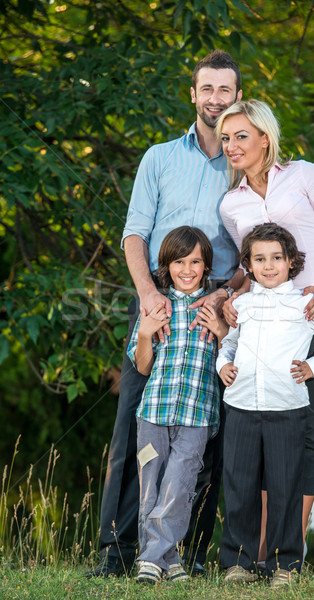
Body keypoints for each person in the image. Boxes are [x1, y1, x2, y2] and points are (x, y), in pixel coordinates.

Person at [86, 50, 244, 578]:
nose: (216, 99)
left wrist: (225, 297)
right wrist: (147, 294)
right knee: (136, 420)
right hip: (156, 296)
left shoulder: (246, 161)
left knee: (208, 434)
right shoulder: (159, 157)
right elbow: (134, 233)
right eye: (208, 89)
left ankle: (189, 554)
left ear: (237, 98)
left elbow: (259, 244)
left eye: (226, 91)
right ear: (193, 94)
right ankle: (116, 552)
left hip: (218, 304)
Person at [215, 99, 314, 555]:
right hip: (261, 327)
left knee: (307, 428)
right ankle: (257, 544)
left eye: (240, 136)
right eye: (225, 138)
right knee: (260, 425)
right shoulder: (230, 203)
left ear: (264, 137)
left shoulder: (305, 175)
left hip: (311, 316)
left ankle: (285, 544)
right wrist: (231, 295)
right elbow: (247, 267)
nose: (232, 145)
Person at [215, 223, 314, 585]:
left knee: (285, 488)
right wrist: (223, 364)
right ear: (249, 264)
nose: (269, 265)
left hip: (287, 408)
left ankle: (284, 566)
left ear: (291, 262)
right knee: (240, 486)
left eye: (277, 257)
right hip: (241, 405)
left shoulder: (305, 303)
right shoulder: (240, 305)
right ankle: (238, 564)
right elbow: (229, 344)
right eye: (260, 259)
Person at [128, 226, 228, 584]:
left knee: (180, 486)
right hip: (153, 413)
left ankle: (150, 559)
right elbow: (142, 366)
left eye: (196, 262)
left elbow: (231, 362)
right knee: (151, 489)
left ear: (206, 266)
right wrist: (144, 332)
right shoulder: (157, 308)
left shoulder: (216, 310)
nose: (187, 270)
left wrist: (222, 333)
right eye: (179, 262)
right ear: (166, 265)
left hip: (197, 416)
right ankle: (167, 561)